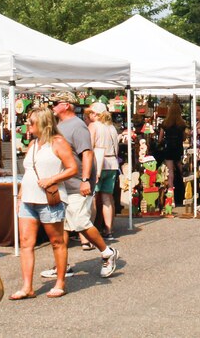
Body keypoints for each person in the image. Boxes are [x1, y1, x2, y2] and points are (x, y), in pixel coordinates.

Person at [43, 93, 118, 282]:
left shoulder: (77, 126)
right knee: (63, 227)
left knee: (79, 222)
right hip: (64, 184)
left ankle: (108, 252)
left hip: (77, 183)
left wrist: (85, 179)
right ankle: (63, 266)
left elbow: (87, 154)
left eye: (55, 103)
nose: (52, 106)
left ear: (66, 105)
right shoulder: (60, 126)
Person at [10, 106, 77, 300]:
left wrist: (52, 179)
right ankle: (27, 286)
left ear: (43, 123)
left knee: (56, 241)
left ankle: (60, 282)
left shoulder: (58, 142)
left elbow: (72, 168)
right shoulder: (33, 144)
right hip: (28, 199)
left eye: (32, 122)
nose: (28, 125)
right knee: (26, 243)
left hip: (49, 199)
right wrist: (20, 197)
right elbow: (28, 172)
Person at [89, 103, 120, 240]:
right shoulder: (112, 127)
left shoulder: (94, 126)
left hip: (98, 165)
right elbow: (117, 148)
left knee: (93, 198)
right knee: (108, 198)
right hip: (112, 163)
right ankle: (109, 230)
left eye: (90, 113)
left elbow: (88, 147)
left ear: (95, 114)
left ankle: (91, 231)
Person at [156, 101, 186, 198]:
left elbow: (160, 139)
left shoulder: (165, 123)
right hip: (178, 148)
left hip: (168, 148)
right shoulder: (182, 124)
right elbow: (184, 138)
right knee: (180, 167)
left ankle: (170, 194)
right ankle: (185, 188)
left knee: (170, 171)